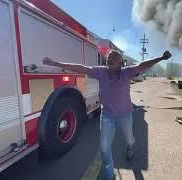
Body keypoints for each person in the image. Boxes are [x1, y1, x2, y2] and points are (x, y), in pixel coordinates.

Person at [43, 50, 172, 180]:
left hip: (125, 115)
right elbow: (80, 67)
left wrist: (160, 58)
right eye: (108, 57)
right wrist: (55, 63)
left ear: (120, 63)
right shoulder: (101, 72)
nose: (109, 59)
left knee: (129, 138)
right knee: (104, 147)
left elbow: (142, 65)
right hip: (107, 117)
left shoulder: (127, 72)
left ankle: (129, 146)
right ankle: (109, 175)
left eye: (113, 58)